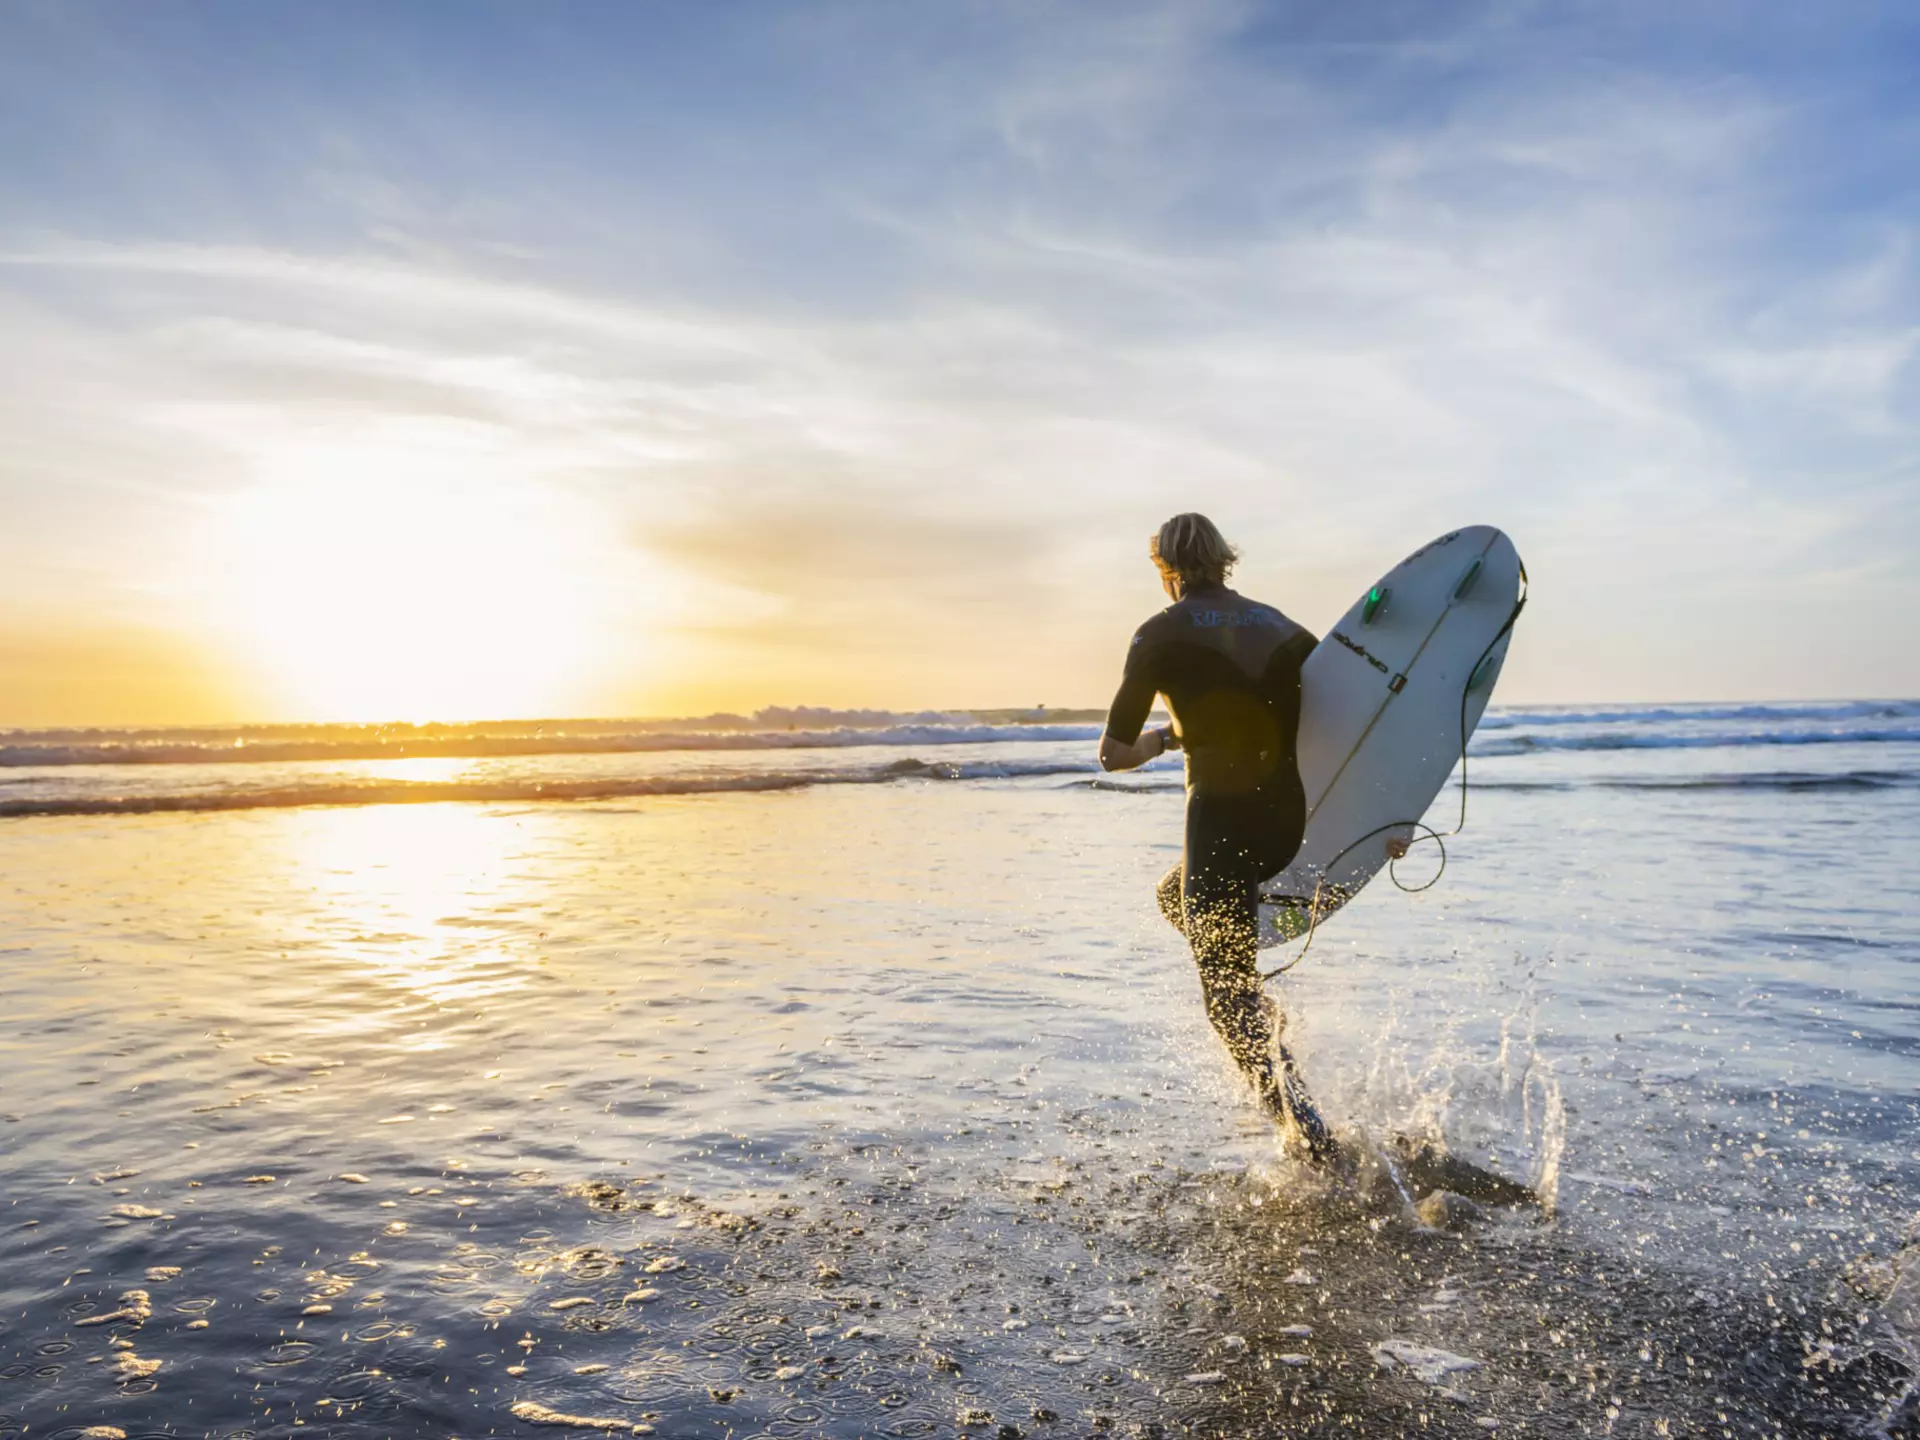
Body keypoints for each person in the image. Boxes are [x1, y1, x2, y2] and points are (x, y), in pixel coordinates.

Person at [1099, 513, 1335, 1159]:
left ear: (1163, 567)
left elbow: (1114, 753)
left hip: (1221, 822)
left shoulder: (1159, 632)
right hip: (1289, 816)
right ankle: (1265, 1017)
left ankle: (1309, 1139)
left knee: (1224, 996)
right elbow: (1337, 714)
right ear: (1227, 559)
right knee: (1176, 901)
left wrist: (1169, 737)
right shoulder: (1283, 626)